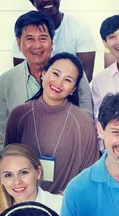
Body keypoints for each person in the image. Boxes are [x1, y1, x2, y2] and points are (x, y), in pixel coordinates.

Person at [4, 53, 99, 194]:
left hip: (63, 205)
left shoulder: (83, 122)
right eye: (55, 74)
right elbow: (7, 165)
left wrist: (66, 197)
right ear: (43, 73)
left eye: (68, 80)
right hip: (22, 203)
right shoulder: (18, 115)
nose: (58, 83)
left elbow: (91, 175)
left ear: (73, 89)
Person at [0, 11, 93, 147]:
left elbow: (87, 119)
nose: (37, 45)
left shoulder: (74, 74)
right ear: (19, 43)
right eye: (30, 39)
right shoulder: (6, 80)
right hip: (24, 158)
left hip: (66, 153)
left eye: (43, 38)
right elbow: (3, 131)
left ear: (52, 41)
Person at [14, 0, 96, 81]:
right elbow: (20, 76)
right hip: (33, 94)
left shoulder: (79, 28)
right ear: (33, 3)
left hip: (71, 94)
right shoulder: (24, 33)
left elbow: (85, 77)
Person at [0, 144, 63, 214]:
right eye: (8, 175)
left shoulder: (61, 207)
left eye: (24, 172)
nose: (17, 181)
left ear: (38, 172)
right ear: (1, 179)